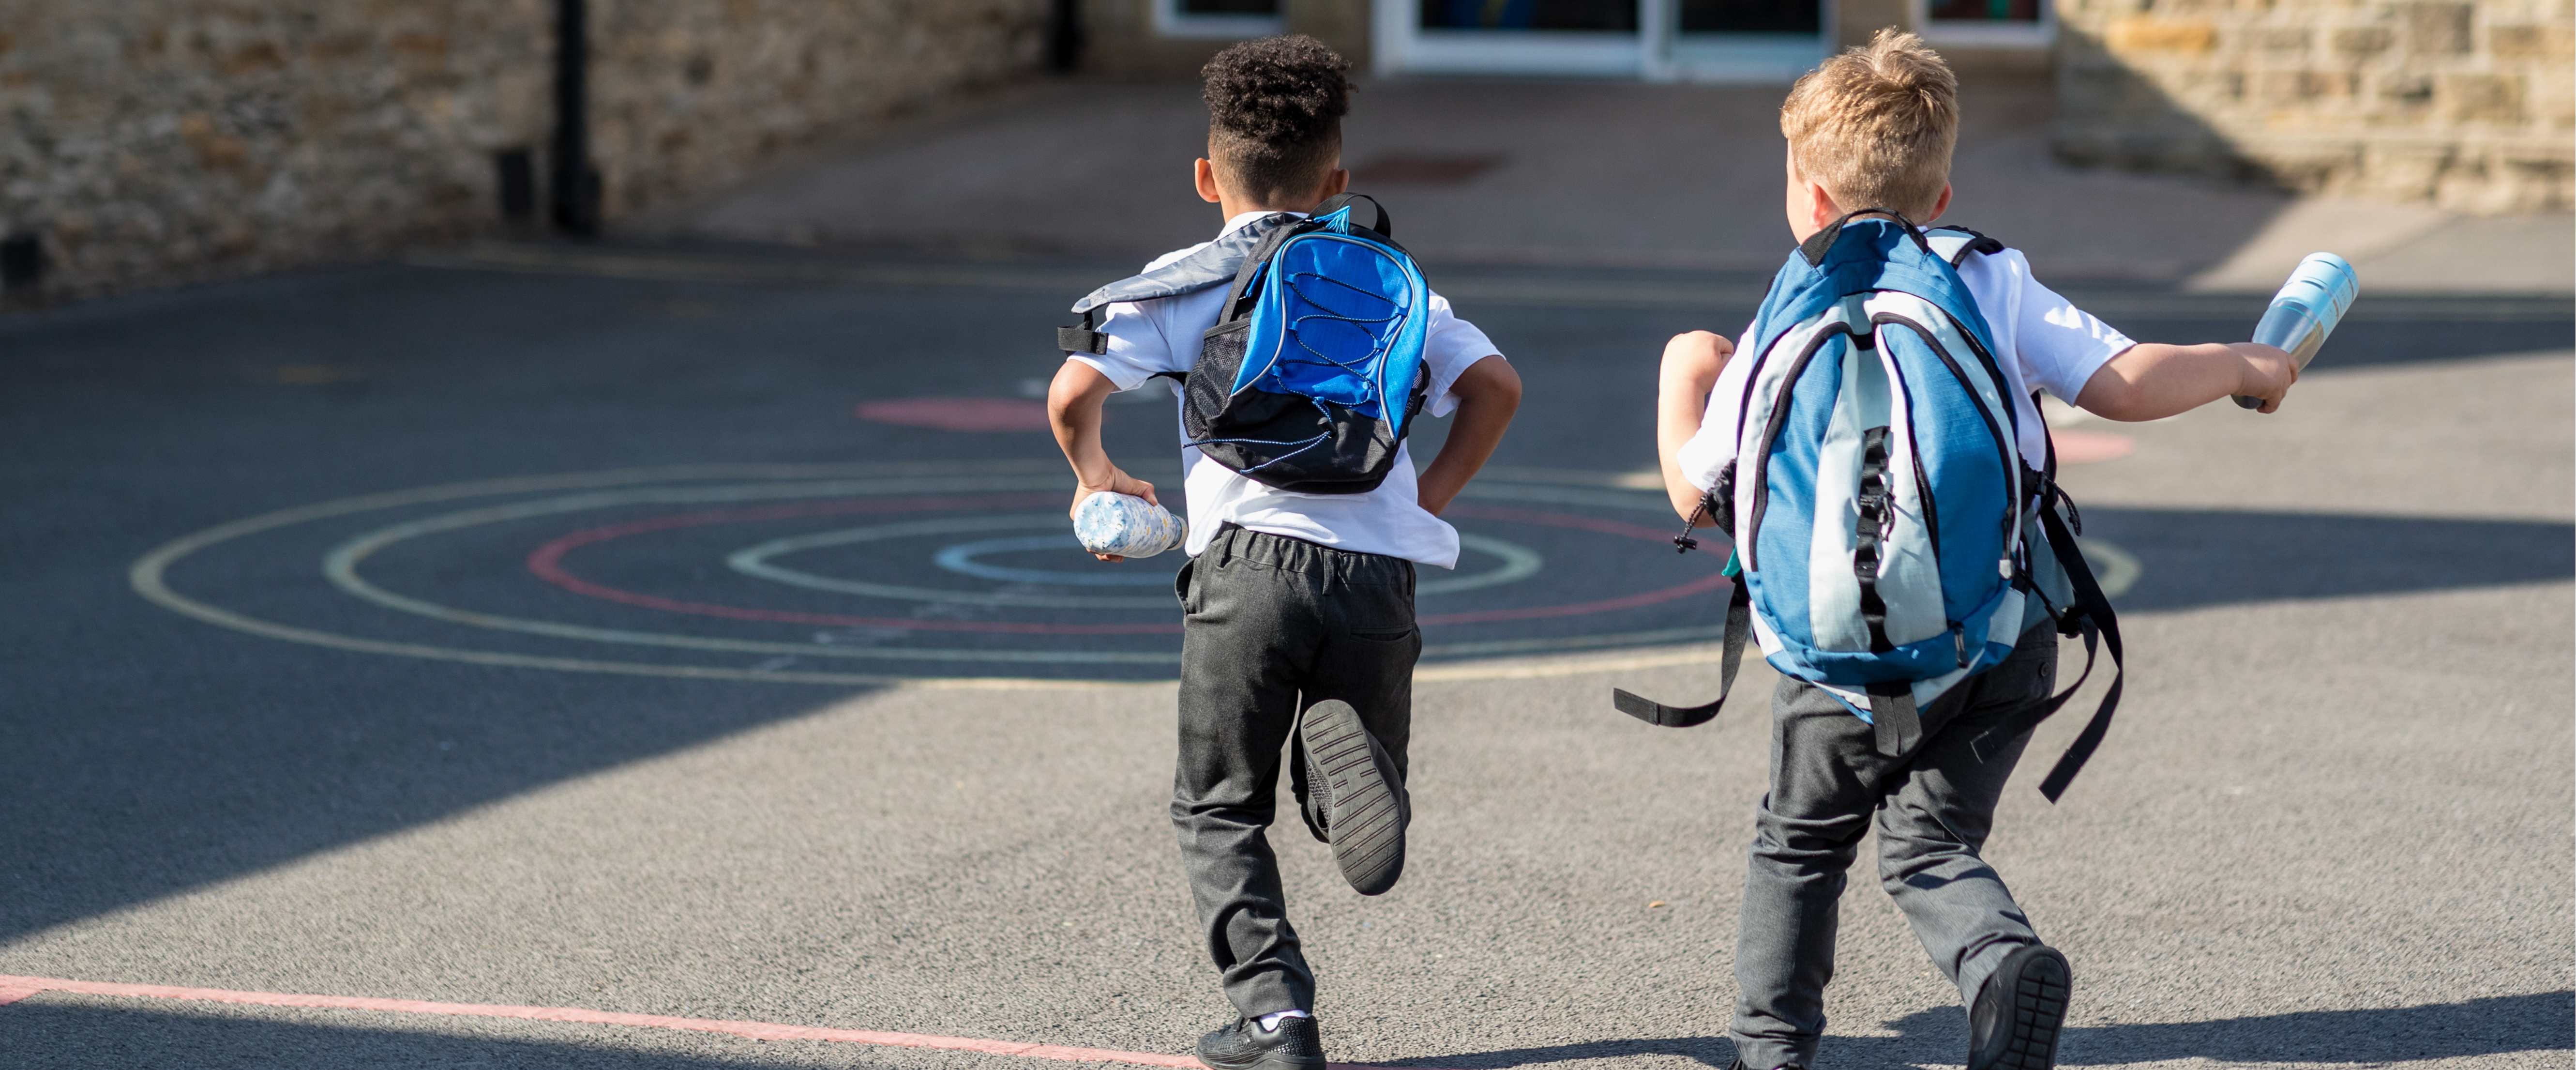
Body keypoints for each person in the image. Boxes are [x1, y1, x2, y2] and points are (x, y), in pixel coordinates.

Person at [1653, 31, 2299, 1070]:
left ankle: (1773, 1049)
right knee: (1930, 846)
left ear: (1808, 199)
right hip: (1999, 631)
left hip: (1835, 661)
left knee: (1801, 841)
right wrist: (2242, 360)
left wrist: (1685, 373)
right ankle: (1998, 964)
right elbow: (2122, 383)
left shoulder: (1786, 309)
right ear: (1942, 199)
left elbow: (1695, 492)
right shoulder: (1985, 277)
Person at [1042, 35, 1522, 1070]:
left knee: (1215, 804)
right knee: (1347, 768)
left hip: (1246, 569)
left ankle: (1275, 1015)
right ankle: (1352, 767)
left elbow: (1074, 392)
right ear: (1338, 181)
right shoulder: (1392, 283)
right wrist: (1424, 496)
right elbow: (1497, 388)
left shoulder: (1183, 284)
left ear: (1208, 177)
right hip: (1378, 573)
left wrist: (1097, 476)